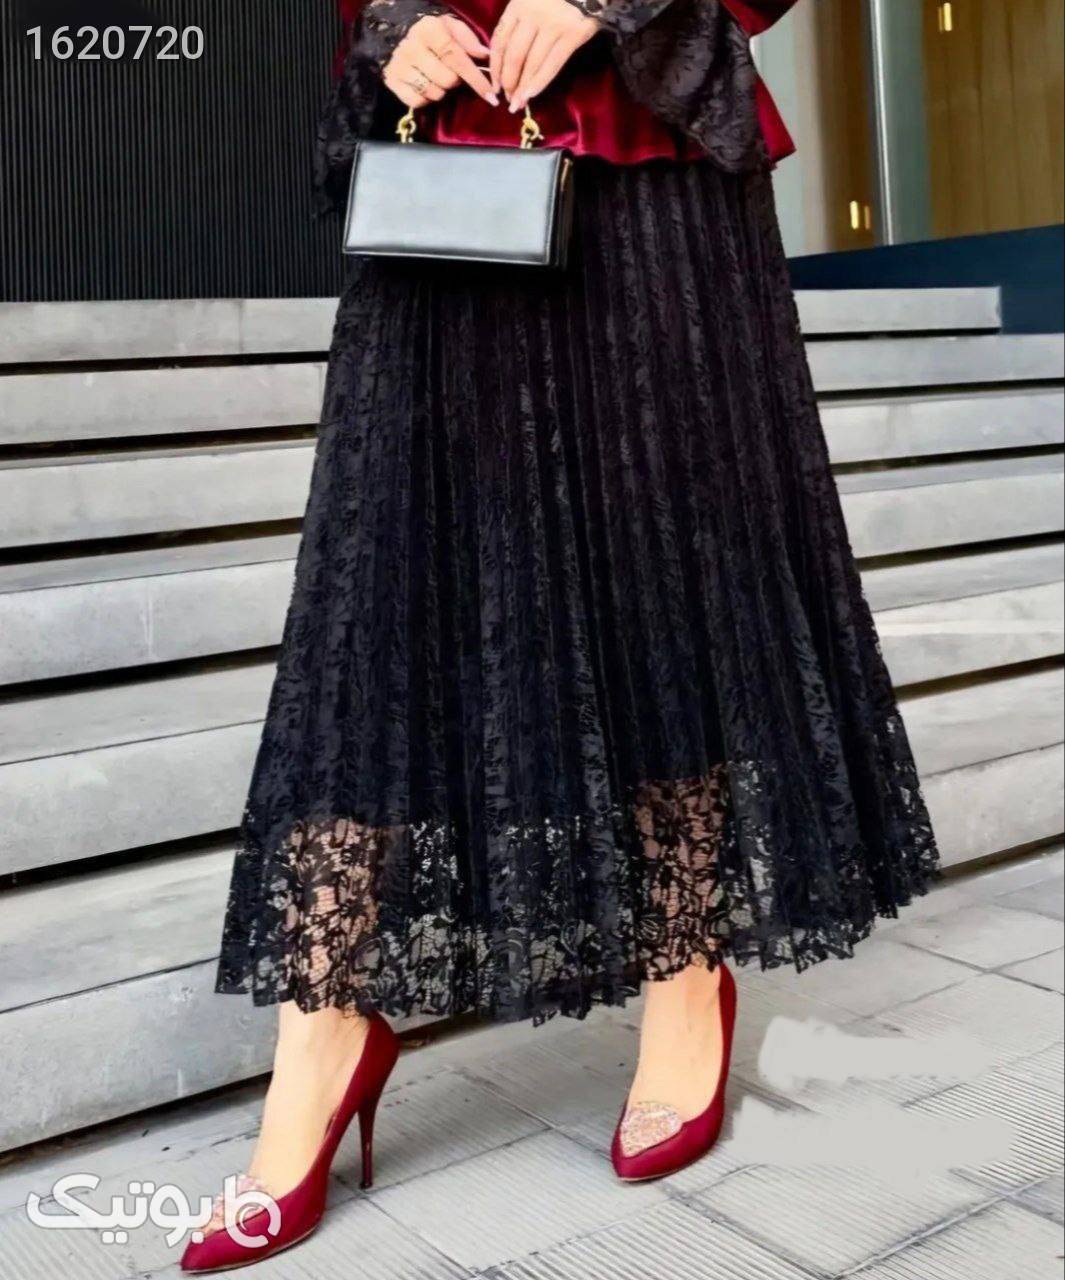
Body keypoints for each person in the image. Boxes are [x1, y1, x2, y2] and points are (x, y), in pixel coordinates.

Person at [181, 0, 938, 1269]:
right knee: (374, 598)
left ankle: (685, 962)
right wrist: (395, 24)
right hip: (445, 161)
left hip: (644, 155)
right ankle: (327, 1020)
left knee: (663, 560)